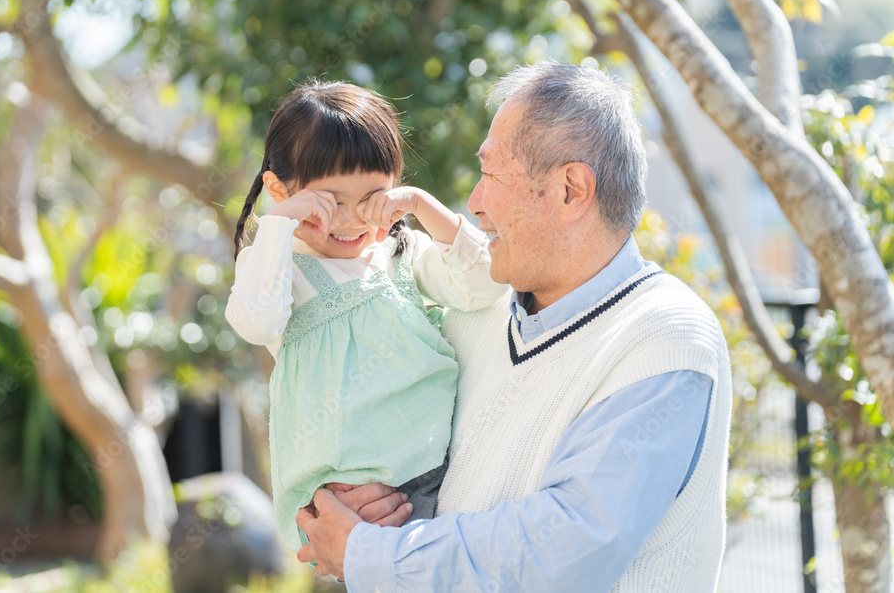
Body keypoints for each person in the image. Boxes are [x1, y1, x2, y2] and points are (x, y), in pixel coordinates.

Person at [295, 61, 732, 592]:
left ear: (572, 189)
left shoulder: (666, 335)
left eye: (490, 174)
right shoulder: (470, 313)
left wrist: (371, 552)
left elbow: (570, 549)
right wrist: (361, 502)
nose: (474, 205)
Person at [225, 79, 508, 553]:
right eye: (329, 201)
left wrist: (420, 205)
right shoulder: (283, 270)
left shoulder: (399, 251)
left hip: (440, 463)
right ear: (281, 190)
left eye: (372, 197)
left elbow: (486, 283)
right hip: (349, 493)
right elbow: (255, 322)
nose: (353, 219)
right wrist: (278, 223)